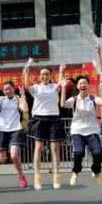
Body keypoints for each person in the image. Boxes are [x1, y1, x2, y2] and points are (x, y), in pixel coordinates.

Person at [61, 45, 102, 186]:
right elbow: (62, 104)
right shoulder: (74, 99)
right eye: (80, 83)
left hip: (92, 130)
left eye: (85, 83)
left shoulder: (93, 98)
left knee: (98, 154)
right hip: (77, 131)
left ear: (87, 85)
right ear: (78, 86)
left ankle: (95, 170)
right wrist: (63, 87)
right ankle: (75, 171)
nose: (82, 85)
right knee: (78, 153)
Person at [23, 60, 66, 190]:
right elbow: (26, 85)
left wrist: (62, 70)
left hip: (54, 119)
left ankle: (56, 177)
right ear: (39, 76)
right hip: (39, 119)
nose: (44, 76)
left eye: (47, 74)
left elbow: (61, 81)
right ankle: (37, 178)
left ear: (50, 76)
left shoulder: (54, 87)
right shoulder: (36, 88)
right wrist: (27, 68)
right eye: (42, 74)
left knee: (55, 149)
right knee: (39, 148)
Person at [0, 81, 29, 188]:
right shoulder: (1, 99)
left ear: (13, 88)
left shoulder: (18, 99)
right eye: (5, 89)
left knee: (14, 155)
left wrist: (23, 95)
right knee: (2, 159)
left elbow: (25, 109)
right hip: (1, 130)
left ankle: (21, 176)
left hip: (15, 129)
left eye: (9, 88)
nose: (7, 91)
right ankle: (5, 150)